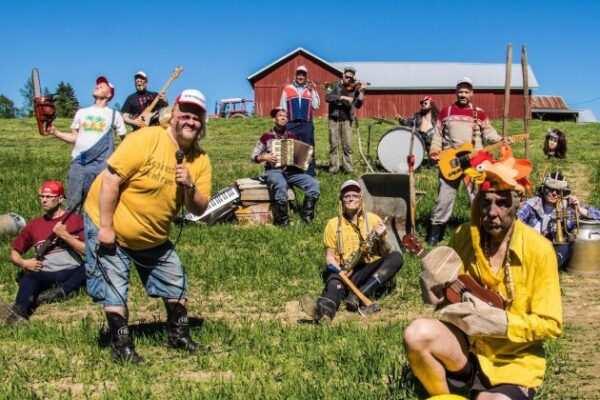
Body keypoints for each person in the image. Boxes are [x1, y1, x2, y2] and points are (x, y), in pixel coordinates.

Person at [403, 148, 562, 399]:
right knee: (416, 334)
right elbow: (447, 298)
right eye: (486, 202)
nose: (492, 212)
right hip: (467, 348)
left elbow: (551, 325)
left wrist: (502, 323)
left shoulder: (539, 250)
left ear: (517, 204)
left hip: (512, 360)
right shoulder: (463, 236)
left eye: (502, 203)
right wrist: (434, 288)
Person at [82, 89, 212, 363]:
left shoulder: (200, 160)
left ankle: (178, 336)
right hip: (110, 223)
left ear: (202, 123)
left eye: (196, 117)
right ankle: (121, 346)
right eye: (185, 114)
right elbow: (110, 181)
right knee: (115, 284)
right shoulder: (146, 139)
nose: (190, 121)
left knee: (175, 279)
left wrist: (190, 185)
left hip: (153, 235)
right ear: (173, 114)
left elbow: (199, 208)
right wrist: (106, 227)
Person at [301, 180, 403, 322]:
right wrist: (339, 272)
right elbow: (330, 257)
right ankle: (324, 312)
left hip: (368, 270)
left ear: (361, 199)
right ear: (341, 200)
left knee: (396, 257)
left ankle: (358, 295)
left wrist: (382, 237)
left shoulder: (373, 220)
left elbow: (385, 252)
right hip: (344, 271)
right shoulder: (333, 224)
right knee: (334, 286)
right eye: (347, 196)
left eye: (355, 195)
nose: (351, 199)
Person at [427, 77, 505, 246]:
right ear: (456, 93)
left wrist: (501, 140)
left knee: (478, 197)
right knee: (444, 199)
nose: (463, 94)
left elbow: (489, 132)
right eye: (460, 91)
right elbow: (437, 136)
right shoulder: (446, 112)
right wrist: (434, 151)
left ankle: (483, 231)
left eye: (466, 91)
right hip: (450, 162)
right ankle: (436, 233)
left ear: (472, 93)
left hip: (475, 163)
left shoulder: (479, 113)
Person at [1, 180, 86, 324]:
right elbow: (14, 253)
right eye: (42, 196)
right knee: (29, 279)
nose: (43, 200)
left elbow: (89, 252)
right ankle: (19, 313)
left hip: (72, 271)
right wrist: (24, 263)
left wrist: (66, 235)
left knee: (92, 266)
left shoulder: (76, 220)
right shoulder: (33, 225)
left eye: (48, 197)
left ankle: (61, 292)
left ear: (60, 199)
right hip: (46, 273)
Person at [48, 76, 127, 212]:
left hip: (102, 166)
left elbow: (125, 142)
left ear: (109, 94)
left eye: (102, 86)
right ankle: (72, 226)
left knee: (100, 206)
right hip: (80, 163)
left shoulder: (115, 115)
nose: (98, 86)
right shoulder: (81, 112)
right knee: (73, 204)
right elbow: (74, 138)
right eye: (97, 85)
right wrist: (56, 132)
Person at [250, 107, 320, 226]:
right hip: (273, 171)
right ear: (274, 119)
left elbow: (301, 155)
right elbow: (253, 157)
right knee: (281, 184)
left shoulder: (293, 136)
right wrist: (264, 157)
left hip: (291, 172)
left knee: (314, 184)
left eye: (285, 116)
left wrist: (306, 159)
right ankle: (281, 219)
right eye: (280, 115)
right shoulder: (266, 136)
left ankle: (306, 215)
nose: (283, 118)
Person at [517, 171, 600, 269]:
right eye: (550, 189)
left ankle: (548, 267)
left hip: (555, 250)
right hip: (531, 246)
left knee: (566, 248)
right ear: (543, 189)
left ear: (564, 193)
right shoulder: (532, 204)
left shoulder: (569, 206)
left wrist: (579, 209)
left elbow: (598, 215)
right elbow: (516, 220)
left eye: (558, 191)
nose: (554, 194)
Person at [280, 65, 320, 176]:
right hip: (291, 123)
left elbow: (316, 106)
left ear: (306, 76)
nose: (301, 77)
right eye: (299, 74)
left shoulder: (310, 89)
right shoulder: (287, 88)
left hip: (306, 123)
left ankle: (310, 173)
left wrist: (314, 90)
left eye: (303, 75)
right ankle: (291, 172)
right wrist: (283, 122)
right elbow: (283, 107)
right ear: (296, 75)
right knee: (289, 148)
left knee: (309, 148)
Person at [325, 67, 366, 174]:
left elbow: (358, 105)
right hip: (334, 118)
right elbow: (328, 97)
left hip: (347, 119)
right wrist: (342, 97)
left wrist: (362, 92)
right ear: (343, 75)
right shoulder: (331, 84)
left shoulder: (354, 88)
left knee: (347, 145)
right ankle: (333, 168)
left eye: (351, 78)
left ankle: (348, 168)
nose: (349, 79)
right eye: (347, 77)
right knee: (333, 144)